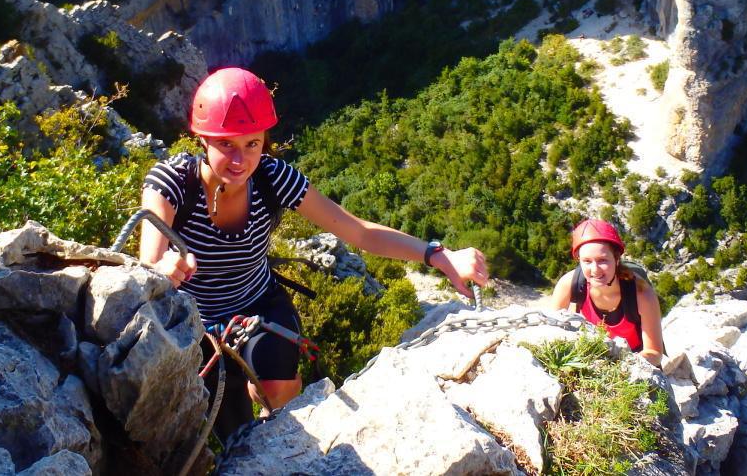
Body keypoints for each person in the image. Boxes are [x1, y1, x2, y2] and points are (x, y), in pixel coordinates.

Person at [139, 67, 489, 440]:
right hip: (197, 323)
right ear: (203, 138)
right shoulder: (173, 181)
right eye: (227, 144)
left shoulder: (273, 178)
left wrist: (436, 255)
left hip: (258, 306)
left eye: (252, 144)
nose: (240, 160)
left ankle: (268, 403)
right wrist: (163, 268)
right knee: (232, 433)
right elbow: (147, 262)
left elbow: (357, 231)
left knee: (280, 391)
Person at [550, 218, 665, 367]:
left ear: (616, 259)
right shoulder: (569, 285)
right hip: (594, 357)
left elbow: (654, 353)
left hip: (637, 360)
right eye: (587, 261)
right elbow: (550, 331)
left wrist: (621, 366)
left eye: (602, 260)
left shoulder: (641, 294)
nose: (595, 269)